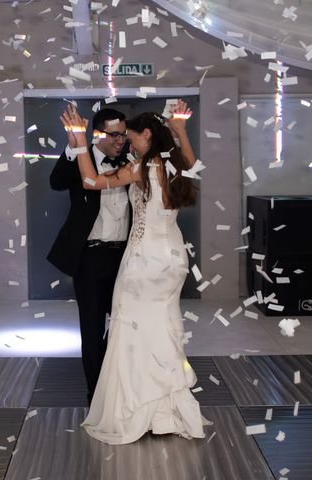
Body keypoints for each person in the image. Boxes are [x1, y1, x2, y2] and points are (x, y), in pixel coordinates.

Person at [61, 100, 212, 445]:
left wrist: (79, 141)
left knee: (132, 329)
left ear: (147, 135)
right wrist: (181, 128)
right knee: (162, 326)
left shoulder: (143, 167)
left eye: (132, 138)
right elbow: (194, 164)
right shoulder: (176, 164)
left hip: (143, 260)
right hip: (172, 259)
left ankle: (138, 409)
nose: (129, 144)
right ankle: (166, 409)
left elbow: (90, 180)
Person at [47, 106, 131, 405]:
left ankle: (119, 381)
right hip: (91, 256)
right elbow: (55, 182)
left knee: (128, 321)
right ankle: (96, 395)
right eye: (115, 134)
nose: (121, 140)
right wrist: (72, 149)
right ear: (98, 134)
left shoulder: (131, 162)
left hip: (125, 257)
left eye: (123, 134)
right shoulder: (80, 157)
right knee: (93, 327)